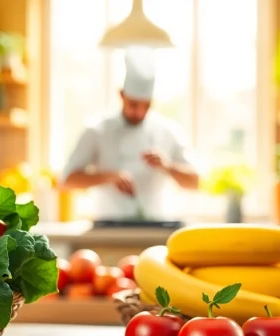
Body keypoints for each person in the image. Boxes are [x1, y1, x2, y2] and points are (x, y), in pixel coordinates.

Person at [60, 48, 200, 220]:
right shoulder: (97, 130)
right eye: (133, 104)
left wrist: (168, 166)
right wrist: (108, 176)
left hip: (157, 226)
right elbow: (67, 180)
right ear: (121, 95)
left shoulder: (168, 131)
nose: (139, 112)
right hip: (108, 227)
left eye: (146, 105)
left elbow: (195, 182)